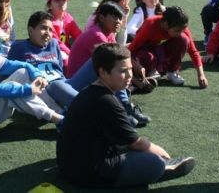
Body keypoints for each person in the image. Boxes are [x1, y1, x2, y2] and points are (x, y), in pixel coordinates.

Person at [56, 42, 195, 188]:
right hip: (87, 173)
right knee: (155, 164)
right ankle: (166, 166)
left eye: (130, 69)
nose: (129, 75)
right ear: (103, 72)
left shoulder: (90, 91)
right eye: (123, 70)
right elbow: (137, 143)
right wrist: (166, 158)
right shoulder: (106, 101)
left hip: (69, 165)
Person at [70, 2, 150, 126]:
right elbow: (116, 61)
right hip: (79, 84)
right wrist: (133, 79)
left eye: (120, 18)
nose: (118, 21)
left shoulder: (108, 33)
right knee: (113, 69)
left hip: (90, 78)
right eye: (114, 17)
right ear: (101, 18)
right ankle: (123, 108)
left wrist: (135, 69)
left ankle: (123, 107)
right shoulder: (97, 35)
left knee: (114, 68)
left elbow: (121, 53)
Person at [129, 6, 208, 87]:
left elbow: (193, 51)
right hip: (146, 50)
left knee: (184, 40)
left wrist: (201, 75)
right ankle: (149, 71)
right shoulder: (150, 25)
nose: (180, 33)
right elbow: (129, 51)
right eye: (177, 31)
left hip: (158, 49)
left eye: (182, 30)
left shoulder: (180, 26)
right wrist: (136, 65)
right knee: (147, 57)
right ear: (166, 24)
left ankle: (171, 71)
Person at [46, 0, 82, 68]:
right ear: (50, 4)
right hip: (52, 51)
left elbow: (79, 35)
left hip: (67, 51)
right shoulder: (48, 21)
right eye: (57, 0)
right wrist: (72, 54)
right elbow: (57, 43)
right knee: (66, 63)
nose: (62, 2)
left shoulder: (68, 17)